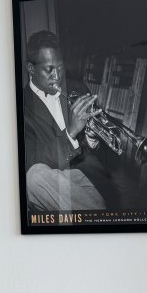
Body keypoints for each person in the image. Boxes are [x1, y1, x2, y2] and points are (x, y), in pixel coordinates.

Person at [23, 30, 106, 213]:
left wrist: (93, 138)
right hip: (50, 181)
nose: (57, 76)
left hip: (86, 178)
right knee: (33, 177)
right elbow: (31, 161)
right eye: (49, 69)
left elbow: (103, 156)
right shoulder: (21, 107)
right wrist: (71, 132)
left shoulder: (77, 87)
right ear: (31, 69)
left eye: (60, 67)